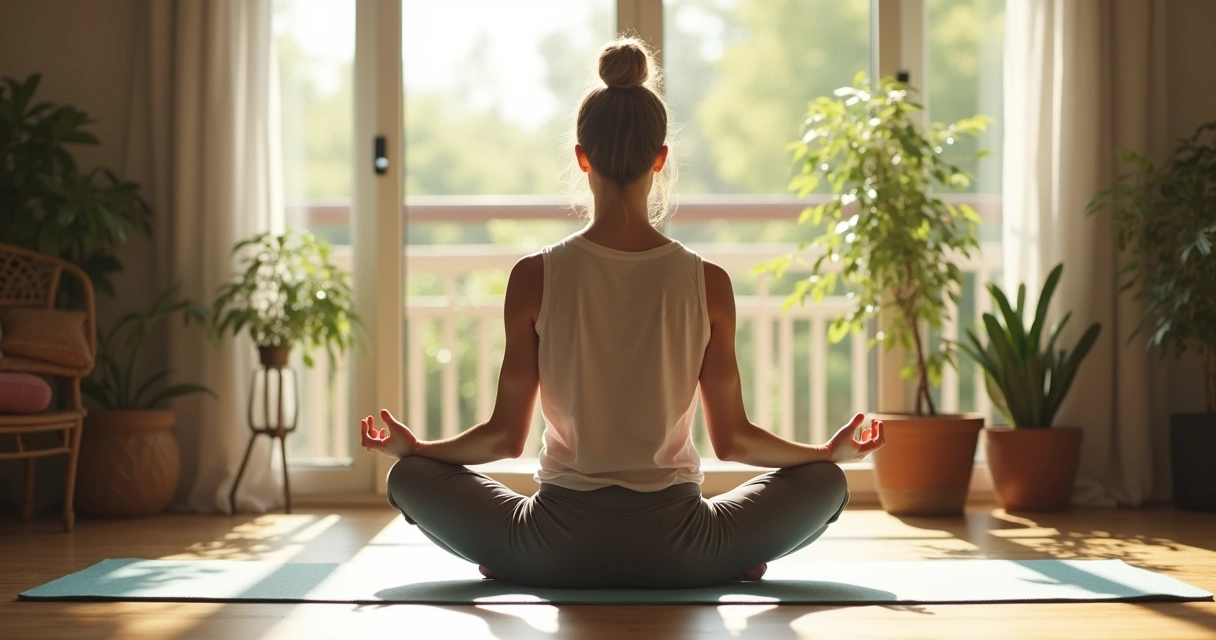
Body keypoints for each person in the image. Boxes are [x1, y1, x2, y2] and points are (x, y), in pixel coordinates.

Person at [359, 37, 886, 589]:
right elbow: (734, 441)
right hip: (684, 548)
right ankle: (727, 563)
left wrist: (415, 448)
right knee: (828, 483)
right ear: (661, 159)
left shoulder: (534, 276)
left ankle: (514, 560)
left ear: (581, 156)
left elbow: (503, 439)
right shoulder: (708, 282)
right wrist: (829, 452)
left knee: (409, 477)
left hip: (553, 545)